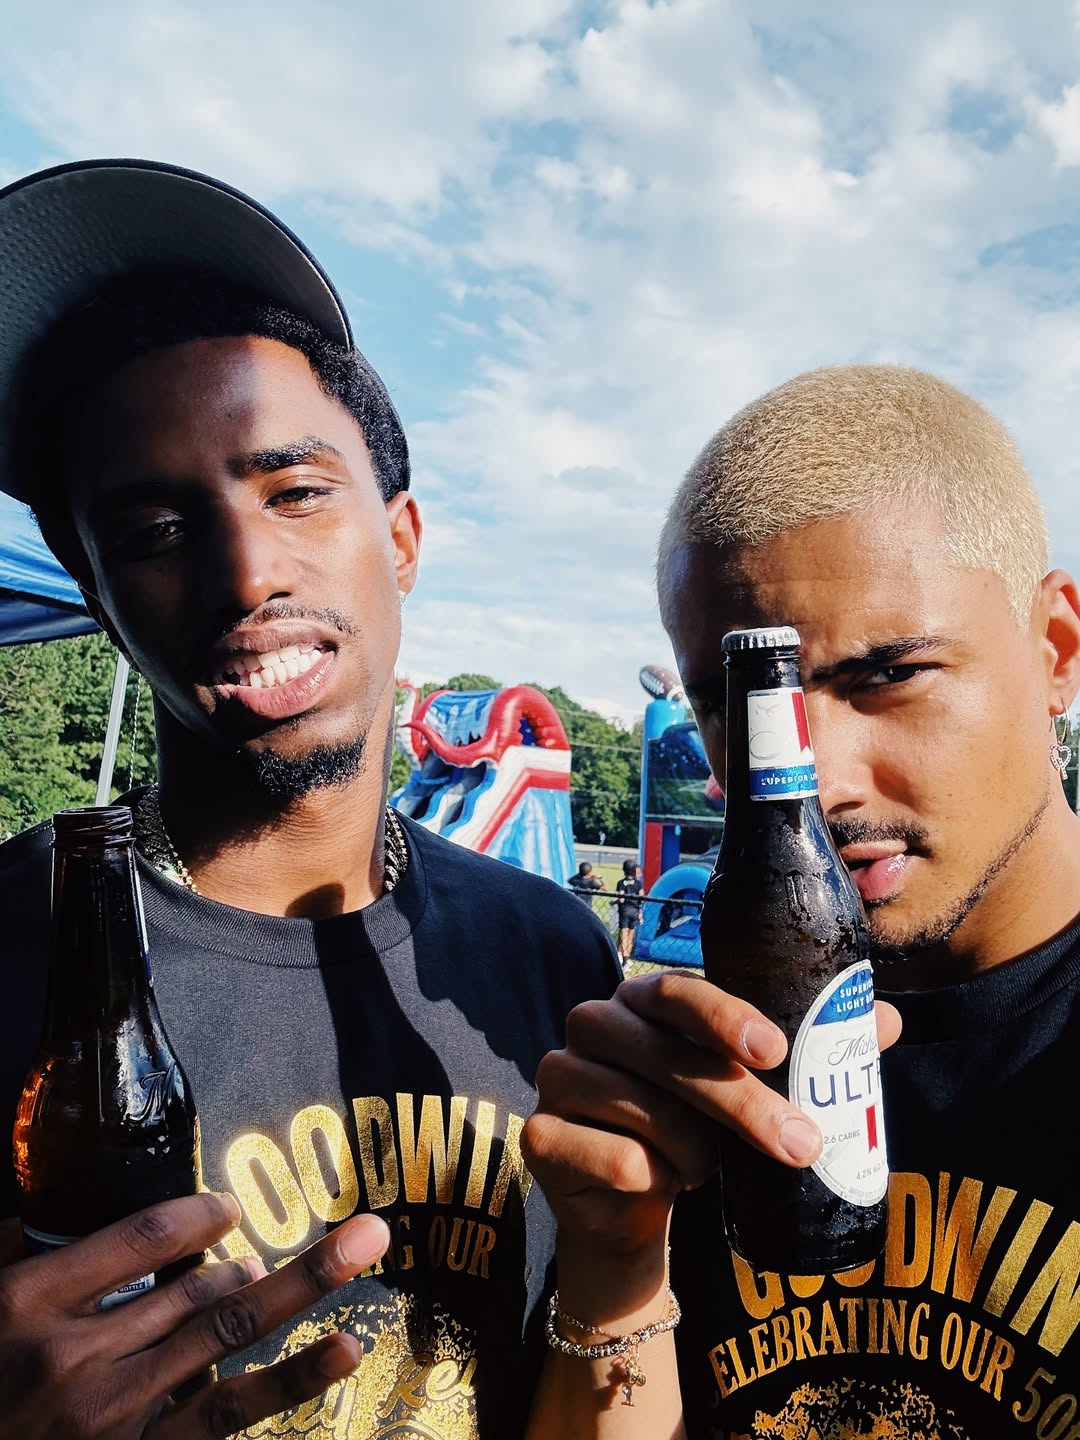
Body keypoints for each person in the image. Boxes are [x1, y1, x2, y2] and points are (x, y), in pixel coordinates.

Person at [0, 159, 618, 1440]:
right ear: (99, 597)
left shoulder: (555, 954)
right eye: (156, 530)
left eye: (294, 491)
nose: (245, 571)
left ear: (400, 538)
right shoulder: (12, 945)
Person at [522, 365, 1080, 1436]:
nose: (814, 778)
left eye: (889, 676)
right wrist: (614, 1269)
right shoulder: (701, 1062)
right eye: (745, 705)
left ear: (1054, 651)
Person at [614, 859, 643, 960]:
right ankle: (628, 955)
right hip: (634, 911)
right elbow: (641, 898)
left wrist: (614, 902)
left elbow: (621, 899)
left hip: (624, 911)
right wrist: (640, 912)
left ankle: (623, 957)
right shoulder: (638, 883)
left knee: (623, 933)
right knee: (631, 934)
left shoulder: (621, 883)